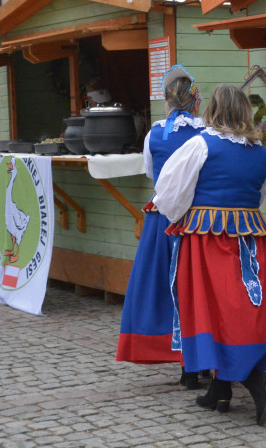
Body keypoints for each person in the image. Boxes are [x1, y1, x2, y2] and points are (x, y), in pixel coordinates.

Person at [154, 84, 266, 426]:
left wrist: (185, 217)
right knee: (237, 311)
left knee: (213, 312)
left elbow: (168, 195)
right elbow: (258, 196)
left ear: (212, 110)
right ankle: (220, 391)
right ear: (245, 112)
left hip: (207, 240)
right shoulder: (261, 153)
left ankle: (258, 382)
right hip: (250, 241)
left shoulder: (200, 144)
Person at [116, 65, 205, 387]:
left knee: (167, 286)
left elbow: (153, 174)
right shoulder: (205, 133)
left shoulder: (155, 133)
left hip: (163, 217)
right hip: (197, 219)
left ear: (167, 101)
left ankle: (186, 365)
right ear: (195, 100)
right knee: (195, 288)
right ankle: (198, 360)